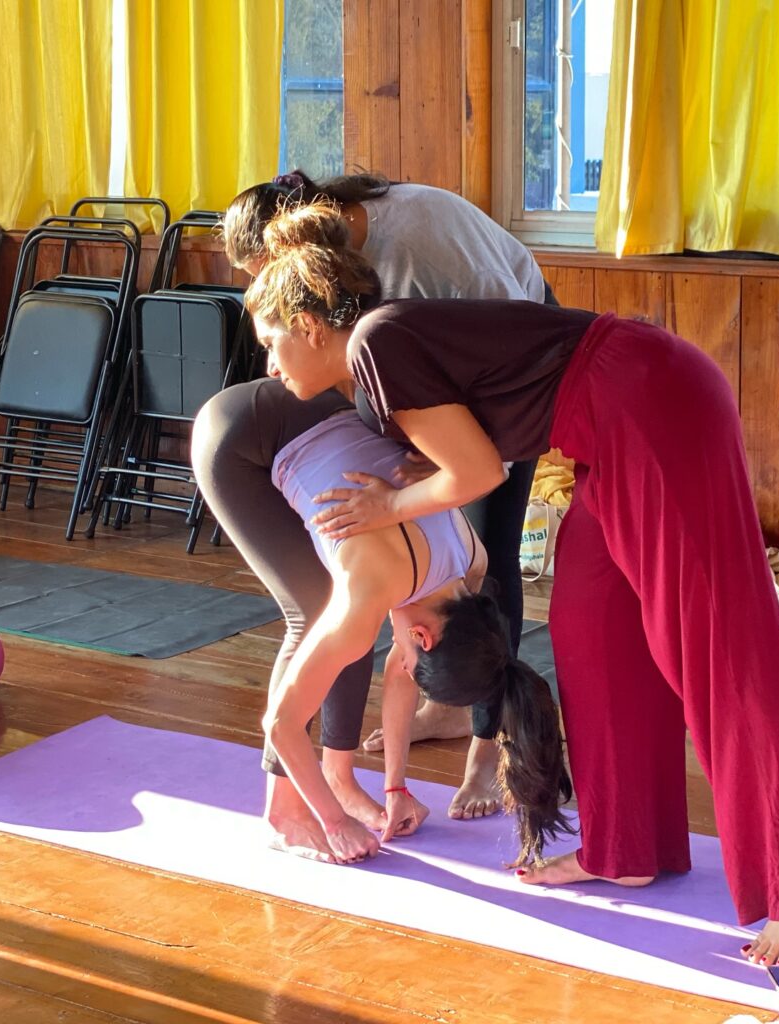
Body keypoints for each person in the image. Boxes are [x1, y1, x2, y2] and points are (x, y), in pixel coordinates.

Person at [239, 199, 779, 969]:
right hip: (611, 427)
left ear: (308, 326)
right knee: (589, 626)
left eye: (271, 342)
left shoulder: (374, 341)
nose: (269, 364)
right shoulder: (378, 355)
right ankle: (624, 845)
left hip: (653, 404)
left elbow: (478, 473)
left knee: (716, 649)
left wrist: (389, 503)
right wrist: (406, 476)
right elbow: (461, 445)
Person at [207, 170, 557, 823]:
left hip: (517, 364)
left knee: (477, 546)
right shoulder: (356, 323)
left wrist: (435, 476)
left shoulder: (419, 250)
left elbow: (485, 463)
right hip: (256, 438)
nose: (267, 299)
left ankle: (481, 746)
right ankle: (326, 782)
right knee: (332, 609)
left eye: (268, 276)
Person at [192, 385, 570, 863]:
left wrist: (396, 786)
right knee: (311, 618)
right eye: (413, 659)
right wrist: (335, 822)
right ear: (422, 637)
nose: (402, 664)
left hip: (315, 405)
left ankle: (337, 778)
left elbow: (399, 671)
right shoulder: (371, 590)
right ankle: (285, 816)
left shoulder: (471, 562)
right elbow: (280, 723)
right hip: (237, 436)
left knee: (347, 633)